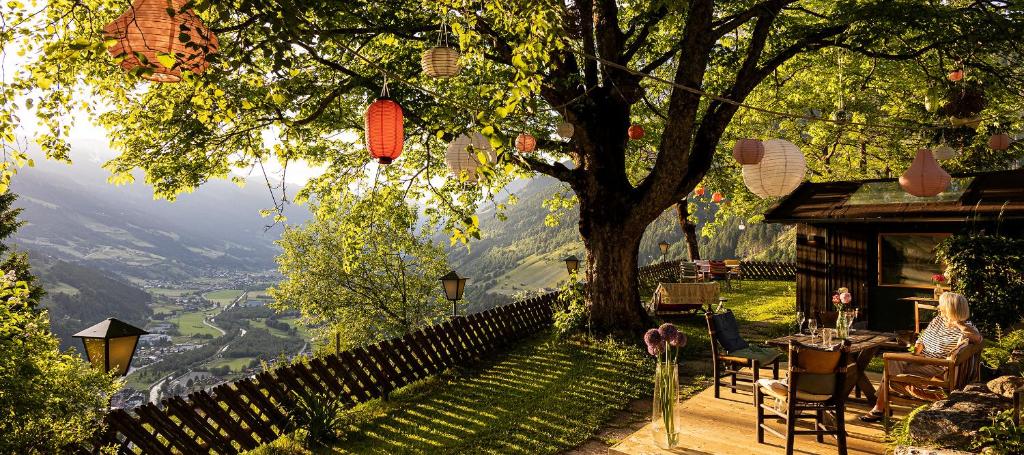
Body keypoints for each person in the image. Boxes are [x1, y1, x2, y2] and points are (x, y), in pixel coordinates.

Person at [859, 292, 982, 422]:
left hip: (936, 367)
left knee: (890, 371)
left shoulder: (966, 327)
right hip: (920, 359)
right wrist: (916, 350)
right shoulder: (938, 320)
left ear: (951, 308)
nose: (939, 308)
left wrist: (956, 322)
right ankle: (880, 406)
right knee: (892, 362)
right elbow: (923, 339)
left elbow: (978, 339)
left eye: (942, 306)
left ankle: (879, 407)